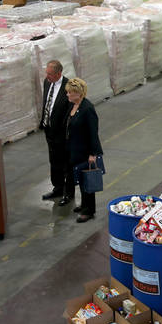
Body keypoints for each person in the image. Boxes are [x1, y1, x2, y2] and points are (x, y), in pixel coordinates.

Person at [65, 77, 103, 223]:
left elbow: (93, 132)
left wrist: (93, 154)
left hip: (85, 152)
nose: (67, 95)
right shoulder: (73, 105)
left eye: (70, 92)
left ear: (79, 93)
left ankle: (89, 210)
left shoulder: (87, 109)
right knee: (80, 180)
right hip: (74, 150)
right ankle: (84, 205)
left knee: (87, 181)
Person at [39, 59, 73, 205]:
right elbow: (47, 102)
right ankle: (58, 188)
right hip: (49, 130)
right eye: (46, 73)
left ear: (59, 73)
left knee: (66, 163)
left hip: (62, 133)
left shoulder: (69, 87)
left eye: (50, 74)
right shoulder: (47, 83)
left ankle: (69, 193)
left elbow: (71, 111)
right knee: (54, 160)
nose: (47, 76)